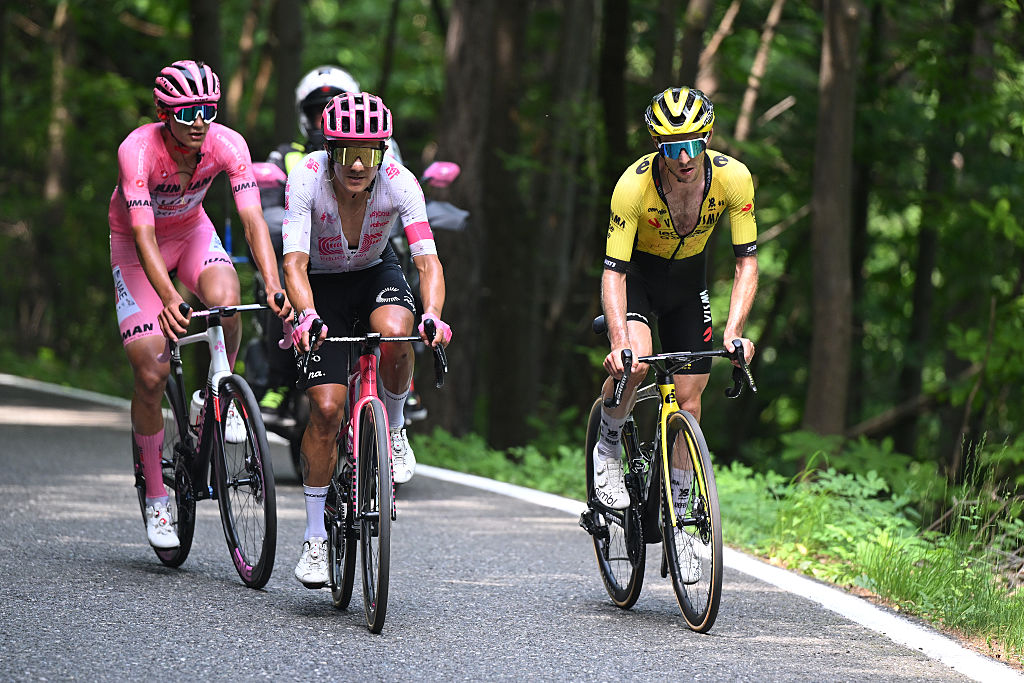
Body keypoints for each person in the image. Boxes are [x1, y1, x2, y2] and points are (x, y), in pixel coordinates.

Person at [109, 59, 290, 550]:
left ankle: (216, 387)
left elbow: (253, 220)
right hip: (137, 247)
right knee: (150, 371)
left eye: (207, 110)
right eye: (186, 112)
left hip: (191, 233)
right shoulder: (138, 151)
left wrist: (275, 286)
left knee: (227, 301)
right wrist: (168, 297)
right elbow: (142, 232)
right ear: (164, 112)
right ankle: (155, 496)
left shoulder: (227, 144)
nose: (198, 121)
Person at [283, 91, 452, 587]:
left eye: (370, 152)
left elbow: (427, 262)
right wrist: (307, 313)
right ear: (328, 148)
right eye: (346, 152)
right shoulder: (306, 179)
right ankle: (316, 537)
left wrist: (434, 315)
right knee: (328, 411)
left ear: (384, 151)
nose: (358, 164)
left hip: (376, 272)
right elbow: (293, 262)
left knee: (398, 333)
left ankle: (394, 428)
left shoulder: (400, 183)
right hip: (322, 284)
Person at [594, 86, 758, 510]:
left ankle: (682, 507)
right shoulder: (632, 187)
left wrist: (735, 332)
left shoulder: (733, 179)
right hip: (638, 277)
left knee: (690, 395)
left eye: (691, 145)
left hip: (688, 283)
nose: (683, 158)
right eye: (671, 148)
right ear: (656, 146)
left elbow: (746, 264)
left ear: (708, 138)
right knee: (636, 361)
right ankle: (608, 445)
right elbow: (613, 272)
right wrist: (618, 342)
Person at [256, 65, 403, 417]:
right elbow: (269, 208)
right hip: (311, 250)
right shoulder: (287, 156)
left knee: (401, 277)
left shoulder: (383, 148)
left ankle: (402, 385)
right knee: (278, 284)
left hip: (368, 250)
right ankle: (279, 378)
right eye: (316, 111)